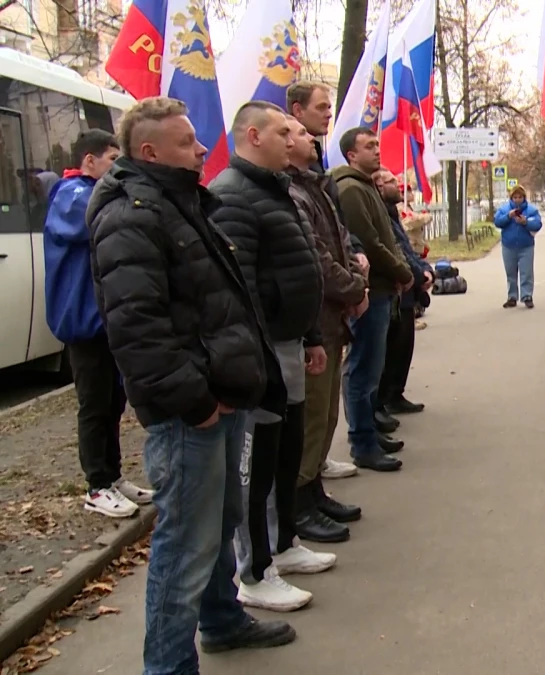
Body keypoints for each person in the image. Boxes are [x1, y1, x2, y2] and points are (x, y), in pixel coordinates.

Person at [88, 96, 293, 670]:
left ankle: (223, 621)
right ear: (150, 151)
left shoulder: (180, 202)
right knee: (184, 546)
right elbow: (136, 328)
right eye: (186, 142)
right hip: (191, 413)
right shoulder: (131, 213)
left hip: (220, 400)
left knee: (219, 525)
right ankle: (170, 666)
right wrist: (195, 400)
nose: (202, 149)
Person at [208, 101, 326, 613]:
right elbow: (243, 287)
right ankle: (254, 571)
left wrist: (311, 334)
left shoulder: (277, 190)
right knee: (255, 468)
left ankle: (283, 543)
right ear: (253, 136)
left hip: (289, 341)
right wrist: (257, 355)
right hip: (262, 351)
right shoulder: (233, 195)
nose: (295, 139)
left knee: (285, 450)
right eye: (283, 131)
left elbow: (300, 269)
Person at [44, 129, 153, 519]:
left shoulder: (94, 192)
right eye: (110, 159)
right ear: (89, 161)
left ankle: (112, 475)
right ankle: (96, 485)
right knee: (94, 404)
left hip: (106, 319)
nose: (116, 167)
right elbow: (93, 219)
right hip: (83, 322)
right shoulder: (70, 194)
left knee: (113, 401)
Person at [285, 117, 367, 544]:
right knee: (312, 419)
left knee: (324, 415)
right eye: (296, 133)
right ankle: (300, 503)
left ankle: (313, 491)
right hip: (314, 318)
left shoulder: (313, 185)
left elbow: (340, 240)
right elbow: (314, 256)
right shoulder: (291, 192)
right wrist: (354, 285)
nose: (310, 140)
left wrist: (354, 273)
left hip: (329, 319)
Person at [333, 127, 411, 472]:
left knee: (371, 367)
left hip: (382, 288)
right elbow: (370, 242)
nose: (377, 150)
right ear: (351, 154)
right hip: (371, 290)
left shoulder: (364, 186)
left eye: (377, 144)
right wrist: (402, 272)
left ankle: (370, 431)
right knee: (362, 368)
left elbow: (386, 238)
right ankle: (362, 442)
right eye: (369, 146)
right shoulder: (350, 188)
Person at [376, 169, 436, 419]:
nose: (399, 185)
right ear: (379, 187)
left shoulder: (391, 213)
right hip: (396, 288)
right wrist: (415, 274)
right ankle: (383, 401)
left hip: (409, 288)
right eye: (391, 182)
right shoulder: (379, 214)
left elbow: (407, 249)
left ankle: (395, 395)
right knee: (391, 350)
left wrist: (425, 270)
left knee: (404, 348)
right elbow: (392, 251)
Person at [494, 184, 543, 308]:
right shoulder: (504, 209)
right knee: (510, 272)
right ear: (511, 198)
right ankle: (512, 296)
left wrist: (525, 222)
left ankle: (527, 295)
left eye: (520, 197)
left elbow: (537, 224)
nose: (517, 200)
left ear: (524, 198)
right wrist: (508, 216)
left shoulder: (531, 210)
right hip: (508, 246)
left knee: (526, 272)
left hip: (526, 246)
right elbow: (497, 222)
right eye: (515, 197)